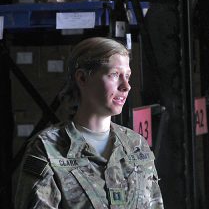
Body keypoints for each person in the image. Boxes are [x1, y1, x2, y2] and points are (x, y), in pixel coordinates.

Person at [15, 37, 164, 208]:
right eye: (114, 74)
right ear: (82, 79)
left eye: (128, 76)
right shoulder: (47, 148)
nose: (126, 86)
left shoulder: (136, 145)